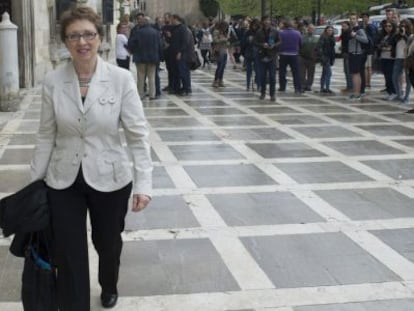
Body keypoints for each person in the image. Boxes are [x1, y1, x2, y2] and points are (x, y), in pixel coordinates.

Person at [30, 6, 153, 310]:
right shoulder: (52, 81)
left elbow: (138, 135)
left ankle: (108, 282)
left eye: (88, 34)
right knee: (69, 249)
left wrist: (144, 184)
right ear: (65, 41)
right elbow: (46, 135)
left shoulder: (121, 79)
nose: (82, 41)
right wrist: (33, 184)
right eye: (74, 36)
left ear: (99, 37)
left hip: (110, 176)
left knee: (107, 243)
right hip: (64, 177)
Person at [128, 16, 161, 100]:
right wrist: (160, 56)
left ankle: (140, 94)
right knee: (152, 76)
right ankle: (152, 95)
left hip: (140, 57)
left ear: (143, 22)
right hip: (153, 58)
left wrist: (132, 50)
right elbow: (160, 45)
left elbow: (131, 43)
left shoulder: (138, 32)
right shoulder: (156, 32)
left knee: (140, 76)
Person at [255, 15, 280, 100]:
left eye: (268, 20)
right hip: (262, 55)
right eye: (265, 20)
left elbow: (279, 41)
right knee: (262, 76)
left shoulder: (275, 31)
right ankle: (263, 93)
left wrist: (274, 45)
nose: (267, 22)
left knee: (272, 76)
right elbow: (255, 42)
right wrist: (262, 45)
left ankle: (272, 94)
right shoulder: (259, 32)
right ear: (262, 22)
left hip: (272, 56)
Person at [347, 12, 368, 101]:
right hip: (352, 54)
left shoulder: (359, 29)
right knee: (355, 74)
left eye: (353, 19)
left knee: (356, 74)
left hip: (357, 54)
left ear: (357, 19)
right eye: (350, 19)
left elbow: (365, 40)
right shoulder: (352, 28)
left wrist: (355, 35)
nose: (352, 20)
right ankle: (356, 92)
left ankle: (357, 94)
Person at [299, 23, 319, 92]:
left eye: (312, 29)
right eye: (310, 28)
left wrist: (316, 57)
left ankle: (309, 85)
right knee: (302, 73)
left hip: (312, 58)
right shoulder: (302, 37)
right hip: (303, 57)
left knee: (311, 73)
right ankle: (302, 85)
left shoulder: (316, 39)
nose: (311, 30)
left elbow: (318, 49)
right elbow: (299, 47)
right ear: (307, 29)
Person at [317, 25, 336, 94]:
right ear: (326, 31)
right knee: (329, 73)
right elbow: (319, 48)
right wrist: (322, 57)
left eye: (331, 30)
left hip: (330, 57)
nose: (330, 31)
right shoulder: (323, 37)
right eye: (329, 30)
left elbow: (332, 49)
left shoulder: (332, 38)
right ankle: (327, 88)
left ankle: (322, 88)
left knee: (324, 73)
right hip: (325, 57)